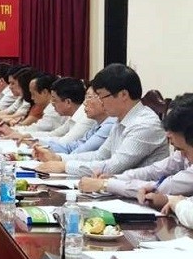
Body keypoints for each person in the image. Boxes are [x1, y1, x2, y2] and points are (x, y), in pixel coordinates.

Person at [36, 64, 169, 176]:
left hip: (144, 197)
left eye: (101, 96)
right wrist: (59, 158)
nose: (100, 102)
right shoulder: (121, 120)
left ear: (123, 94)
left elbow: (114, 166)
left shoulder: (145, 125)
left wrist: (64, 166)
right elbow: (100, 156)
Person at [78, 94, 193, 204]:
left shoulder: (146, 124)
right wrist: (114, 178)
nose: (167, 135)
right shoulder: (183, 151)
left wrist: (105, 184)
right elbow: (153, 171)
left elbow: (162, 187)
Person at [4, 78, 94, 144]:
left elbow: (64, 142)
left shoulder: (86, 117)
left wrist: (28, 139)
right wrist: (27, 136)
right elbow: (55, 134)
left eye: (54, 100)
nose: (52, 103)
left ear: (68, 102)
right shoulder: (74, 115)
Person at [35, 86, 116, 156]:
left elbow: (80, 151)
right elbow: (73, 146)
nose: (84, 103)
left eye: (89, 97)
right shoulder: (97, 123)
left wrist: (58, 158)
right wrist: (41, 144)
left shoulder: (108, 124)